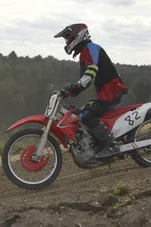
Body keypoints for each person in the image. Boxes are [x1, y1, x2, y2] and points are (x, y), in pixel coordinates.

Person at [54, 23, 128, 160]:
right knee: (84, 112)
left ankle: (111, 146)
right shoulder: (85, 52)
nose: (67, 41)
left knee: (87, 116)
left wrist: (74, 86)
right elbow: (85, 81)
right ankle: (98, 144)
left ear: (77, 36)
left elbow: (90, 72)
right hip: (107, 91)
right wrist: (70, 92)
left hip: (112, 89)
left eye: (67, 38)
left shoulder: (91, 48)